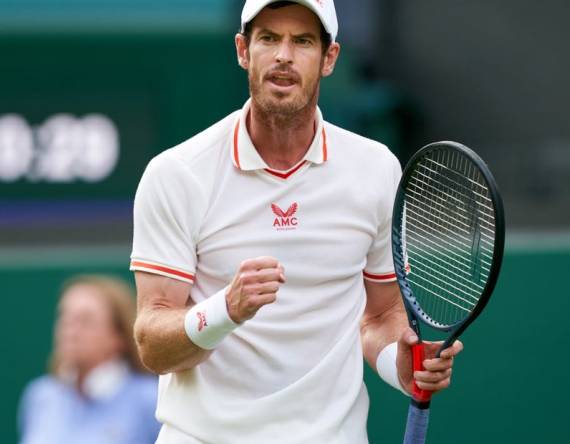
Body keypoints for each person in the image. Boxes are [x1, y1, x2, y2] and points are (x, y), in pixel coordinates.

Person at [130, 1, 463, 442]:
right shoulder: (176, 174)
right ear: (243, 51)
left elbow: (380, 315)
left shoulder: (376, 168)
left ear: (329, 58)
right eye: (268, 38)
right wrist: (225, 310)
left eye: (302, 41)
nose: (283, 55)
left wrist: (395, 364)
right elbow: (153, 345)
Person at [18, 275, 161, 444]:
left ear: (118, 336)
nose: (70, 331)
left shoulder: (149, 400)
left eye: (85, 321)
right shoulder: (41, 396)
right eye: (65, 318)